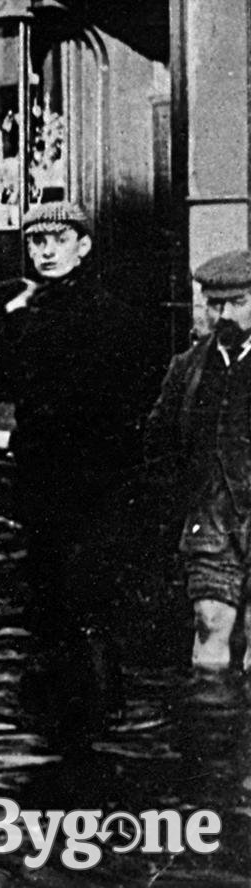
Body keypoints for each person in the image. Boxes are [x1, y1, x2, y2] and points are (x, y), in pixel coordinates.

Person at [0, 201, 161, 670]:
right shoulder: (22, 309)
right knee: (44, 585)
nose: (48, 251)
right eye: (37, 241)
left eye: (60, 240)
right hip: (40, 472)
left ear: (84, 246)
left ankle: (91, 704)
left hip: (96, 476)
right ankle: (52, 705)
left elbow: (132, 398)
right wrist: (5, 321)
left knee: (89, 594)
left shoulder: (112, 317)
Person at [145, 250, 251, 673]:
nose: (222, 315)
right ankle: (210, 729)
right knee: (209, 622)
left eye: (237, 303)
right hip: (210, 512)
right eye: (213, 304)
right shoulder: (188, 367)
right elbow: (159, 439)